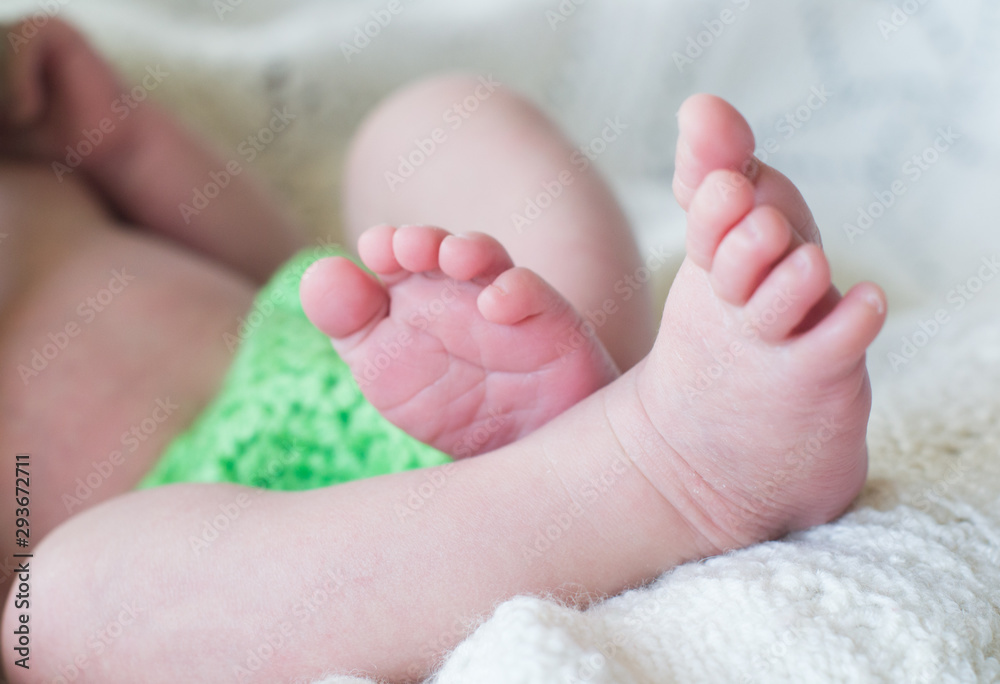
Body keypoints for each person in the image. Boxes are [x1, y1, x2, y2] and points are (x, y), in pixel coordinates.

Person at [0, 17, 886, 683]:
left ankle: (585, 377)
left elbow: (264, 261)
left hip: (370, 355)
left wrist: (115, 134)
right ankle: (658, 469)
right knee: (50, 619)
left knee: (426, 122)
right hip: (224, 554)